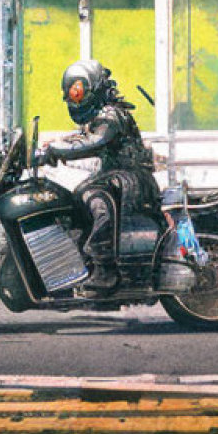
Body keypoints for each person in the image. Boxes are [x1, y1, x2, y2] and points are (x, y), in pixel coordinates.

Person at [35, 60, 159, 293]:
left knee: (97, 199)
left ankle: (106, 270)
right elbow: (83, 137)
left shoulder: (111, 115)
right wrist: (55, 145)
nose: (75, 99)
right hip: (117, 176)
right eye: (72, 93)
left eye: (78, 91)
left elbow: (94, 141)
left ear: (93, 87)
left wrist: (55, 150)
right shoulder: (100, 116)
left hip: (131, 179)